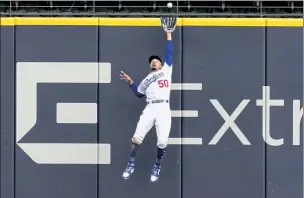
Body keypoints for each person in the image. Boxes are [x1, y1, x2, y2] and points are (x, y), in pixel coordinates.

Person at [119, 30, 173, 183]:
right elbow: (138, 93)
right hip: (150, 108)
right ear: (150, 65)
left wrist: (168, 34)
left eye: (156, 61)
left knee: (162, 141)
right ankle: (130, 163)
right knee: (137, 137)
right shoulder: (145, 80)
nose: (154, 62)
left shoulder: (166, 71)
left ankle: (157, 165)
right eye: (152, 61)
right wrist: (130, 82)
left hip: (163, 108)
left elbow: (169, 52)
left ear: (161, 64)